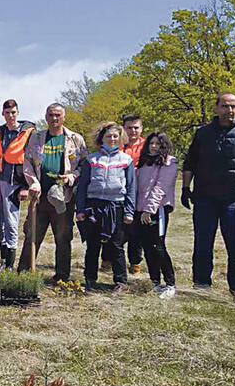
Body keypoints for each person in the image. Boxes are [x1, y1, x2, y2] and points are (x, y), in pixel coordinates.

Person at [181, 92, 235, 299]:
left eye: (234, 106)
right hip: (205, 198)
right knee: (203, 245)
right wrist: (185, 188)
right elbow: (190, 162)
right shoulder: (202, 133)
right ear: (216, 108)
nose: (230, 110)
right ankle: (201, 286)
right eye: (225, 106)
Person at [18, 103, 88, 282]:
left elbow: (84, 165)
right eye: (50, 115)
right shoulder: (36, 138)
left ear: (64, 117)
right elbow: (27, 162)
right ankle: (23, 276)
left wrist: (72, 176)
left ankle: (62, 277)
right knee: (32, 235)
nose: (54, 118)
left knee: (63, 237)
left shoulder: (75, 139)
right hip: (39, 198)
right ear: (46, 116)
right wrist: (33, 182)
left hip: (63, 198)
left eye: (58, 115)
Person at [75, 123, 136, 291]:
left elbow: (131, 187)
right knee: (93, 245)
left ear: (121, 138)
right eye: (108, 136)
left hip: (116, 206)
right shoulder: (92, 159)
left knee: (116, 245)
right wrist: (80, 209)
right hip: (94, 206)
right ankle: (90, 279)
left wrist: (129, 211)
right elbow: (82, 186)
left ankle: (121, 282)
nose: (112, 139)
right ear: (101, 138)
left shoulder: (126, 160)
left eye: (115, 136)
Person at [0, 99, 35, 269]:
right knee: (0, 221)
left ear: (18, 113)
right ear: (3, 114)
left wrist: (26, 186)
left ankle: (10, 264)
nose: (10, 116)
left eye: (13, 112)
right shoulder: (0, 131)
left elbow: (32, 160)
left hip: (14, 183)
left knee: (11, 222)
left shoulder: (28, 132)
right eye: (7, 113)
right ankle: (3, 259)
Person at [135, 131, 177, 299]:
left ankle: (170, 283)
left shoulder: (169, 163)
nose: (153, 147)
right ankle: (155, 282)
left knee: (158, 246)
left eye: (158, 144)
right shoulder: (144, 163)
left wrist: (149, 209)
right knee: (147, 247)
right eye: (151, 143)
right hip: (140, 210)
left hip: (157, 210)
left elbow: (161, 187)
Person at [118, 114, 146, 274]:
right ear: (123, 128)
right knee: (116, 228)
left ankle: (135, 263)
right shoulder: (117, 144)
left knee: (136, 230)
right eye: (129, 127)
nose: (133, 131)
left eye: (136, 127)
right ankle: (108, 259)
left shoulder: (148, 145)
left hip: (140, 192)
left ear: (141, 128)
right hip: (118, 192)